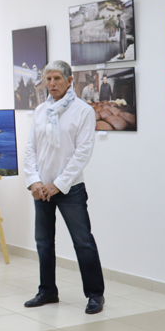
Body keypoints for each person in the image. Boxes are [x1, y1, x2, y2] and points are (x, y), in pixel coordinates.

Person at [23, 60, 105, 314]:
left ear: (69, 81)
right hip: (41, 189)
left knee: (83, 242)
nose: (52, 83)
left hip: (70, 189)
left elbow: (82, 153)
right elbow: (30, 149)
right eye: (48, 79)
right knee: (43, 242)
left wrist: (58, 184)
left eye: (57, 78)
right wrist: (34, 181)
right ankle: (47, 291)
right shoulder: (41, 110)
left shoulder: (83, 111)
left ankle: (95, 295)